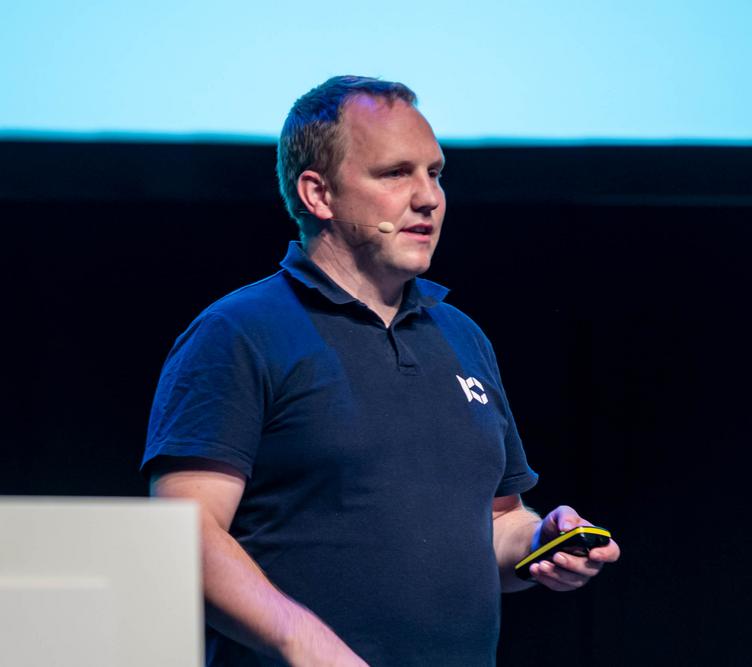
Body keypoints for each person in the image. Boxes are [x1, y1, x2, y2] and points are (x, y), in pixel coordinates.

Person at [142, 75, 620, 666]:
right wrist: (307, 643)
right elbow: (185, 531)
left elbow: (497, 523)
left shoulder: (461, 336)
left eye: (435, 173)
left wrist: (541, 541)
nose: (429, 198)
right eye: (395, 174)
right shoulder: (239, 332)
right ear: (319, 194)